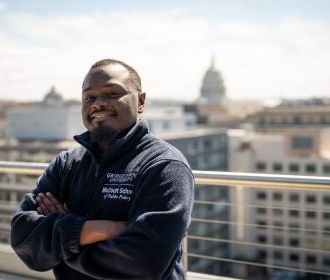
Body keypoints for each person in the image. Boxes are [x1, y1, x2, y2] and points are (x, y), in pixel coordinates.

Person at [10, 58, 194, 280]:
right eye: (89, 97)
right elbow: (22, 236)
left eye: (113, 93)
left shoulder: (164, 166)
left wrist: (61, 246)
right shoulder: (66, 163)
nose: (98, 103)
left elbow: (144, 262)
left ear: (141, 101)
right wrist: (96, 229)